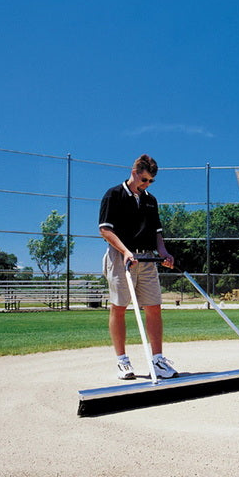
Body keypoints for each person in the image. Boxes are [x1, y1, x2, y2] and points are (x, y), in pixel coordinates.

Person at [99, 154, 178, 380]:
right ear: (134, 172)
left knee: (154, 306)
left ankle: (158, 361)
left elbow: (157, 233)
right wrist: (125, 251)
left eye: (151, 181)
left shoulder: (150, 200)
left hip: (147, 259)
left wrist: (163, 253)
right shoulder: (113, 195)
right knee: (120, 307)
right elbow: (105, 230)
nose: (147, 184)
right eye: (144, 179)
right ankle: (123, 362)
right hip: (120, 257)